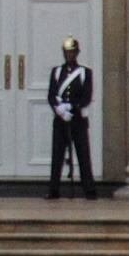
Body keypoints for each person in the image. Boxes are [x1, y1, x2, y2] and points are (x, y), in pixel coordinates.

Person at [47, 35, 99, 200]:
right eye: (67, 52)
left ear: (77, 53)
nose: (69, 55)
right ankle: (54, 189)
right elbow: (51, 94)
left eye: (72, 52)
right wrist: (59, 109)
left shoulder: (85, 73)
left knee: (83, 154)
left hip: (77, 120)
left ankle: (89, 189)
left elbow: (86, 96)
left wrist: (72, 107)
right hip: (61, 119)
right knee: (57, 155)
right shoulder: (56, 72)